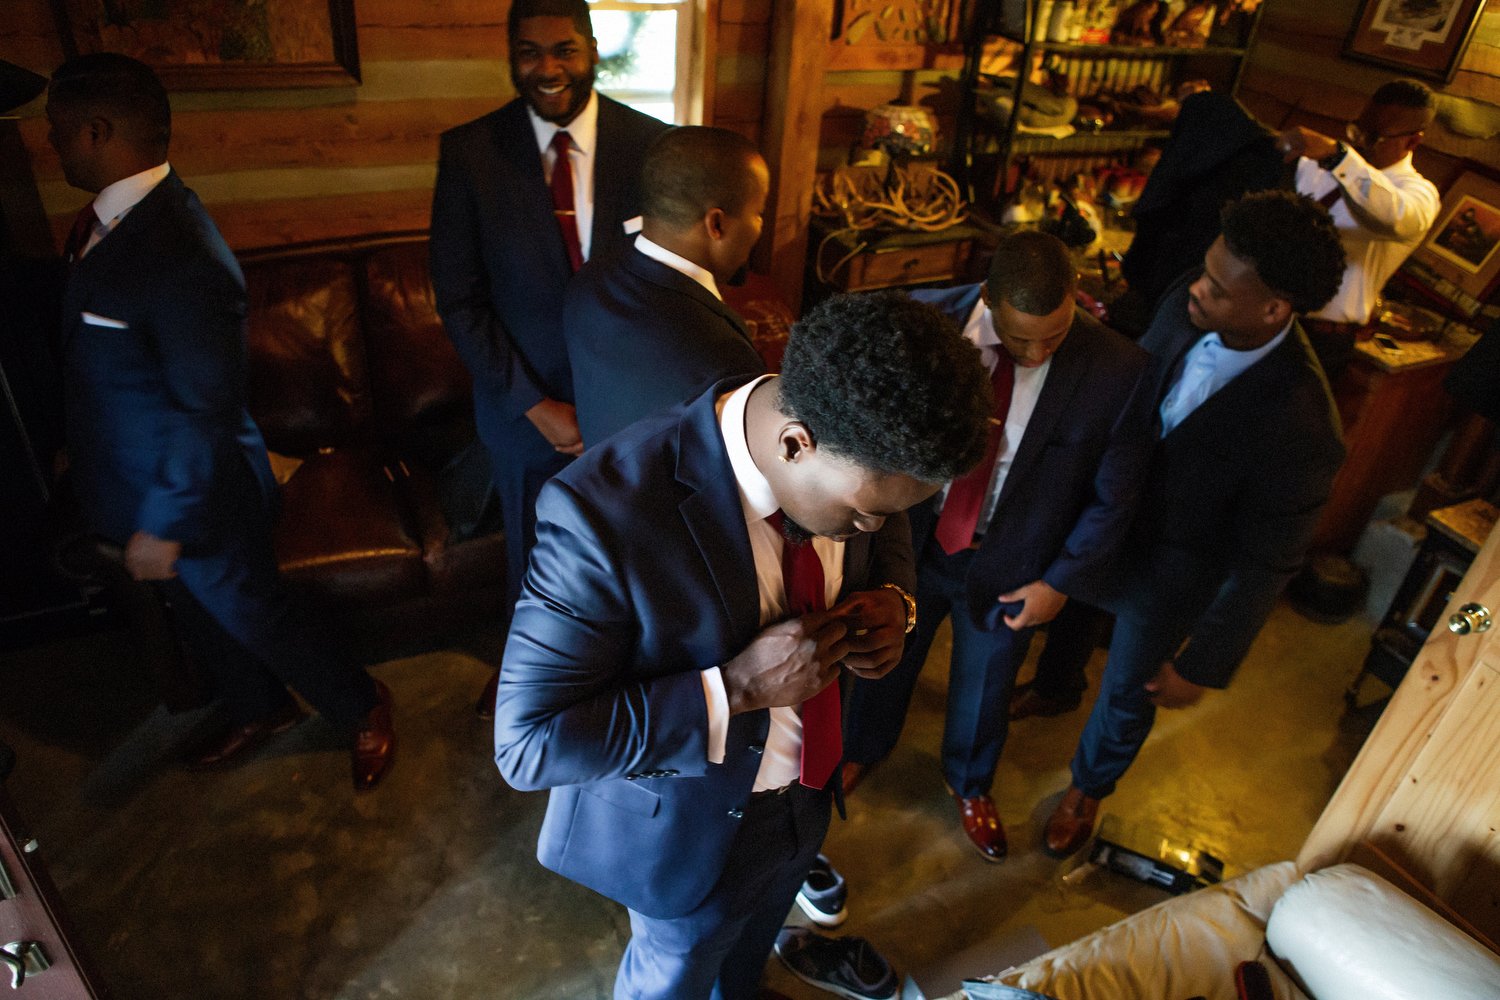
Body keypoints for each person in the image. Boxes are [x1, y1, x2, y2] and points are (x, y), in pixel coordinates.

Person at [494, 291, 993, 999]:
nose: (873, 533)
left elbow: (889, 526)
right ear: (796, 443)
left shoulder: (865, 447)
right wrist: (737, 690)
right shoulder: (603, 517)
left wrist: (899, 605)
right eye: (863, 517)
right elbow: (528, 743)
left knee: (746, 958)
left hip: (808, 796)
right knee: (678, 976)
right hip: (689, 835)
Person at [48, 53, 395, 790]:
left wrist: (166, 522)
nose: (52, 146)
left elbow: (204, 404)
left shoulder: (180, 251)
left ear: (96, 131)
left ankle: (363, 705)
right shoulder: (102, 224)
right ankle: (260, 708)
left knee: (256, 613)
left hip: (198, 494)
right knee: (200, 614)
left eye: (58, 133)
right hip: (133, 482)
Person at [1041, 190, 1347, 858]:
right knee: (1060, 620)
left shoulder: (1305, 428)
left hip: (1169, 573)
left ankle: (1088, 787)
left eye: (1219, 286)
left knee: (1128, 691)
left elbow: (1267, 564)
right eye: (1205, 270)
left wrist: (1204, 663)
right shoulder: (1191, 295)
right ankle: (1050, 689)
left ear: (1274, 309)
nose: (1198, 289)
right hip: (1102, 518)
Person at [842, 231, 1155, 861]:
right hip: (912, 540)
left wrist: (1060, 582)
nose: (1038, 351)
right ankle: (861, 750)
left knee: (987, 685)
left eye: (1056, 334)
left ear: (1076, 300)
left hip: (1017, 563)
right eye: (1019, 338)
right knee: (885, 658)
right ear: (987, 299)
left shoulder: (1121, 369)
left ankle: (970, 783)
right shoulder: (923, 323)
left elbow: (1114, 496)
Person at [429, 0, 669, 715]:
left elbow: (670, 279)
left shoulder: (653, 144)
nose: (547, 69)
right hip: (523, 411)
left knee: (629, 546)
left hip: (632, 407)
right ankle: (532, 678)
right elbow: (460, 299)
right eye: (529, 52)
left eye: (563, 49)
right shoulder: (470, 152)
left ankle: (623, 672)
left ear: (593, 48)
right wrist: (539, 407)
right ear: (511, 54)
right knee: (534, 555)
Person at [565, 125, 769, 445]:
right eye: (758, 213)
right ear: (716, 224)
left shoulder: (590, 281)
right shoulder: (721, 360)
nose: (760, 226)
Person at [1279, 78, 1439, 376]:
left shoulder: (1418, 196)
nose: (1358, 143)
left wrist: (1338, 157)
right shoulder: (1320, 166)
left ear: (1413, 141)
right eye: (1357, 130)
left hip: (1321, 339)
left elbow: (1389, 214)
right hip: (1268, 313)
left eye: (1373, 137)